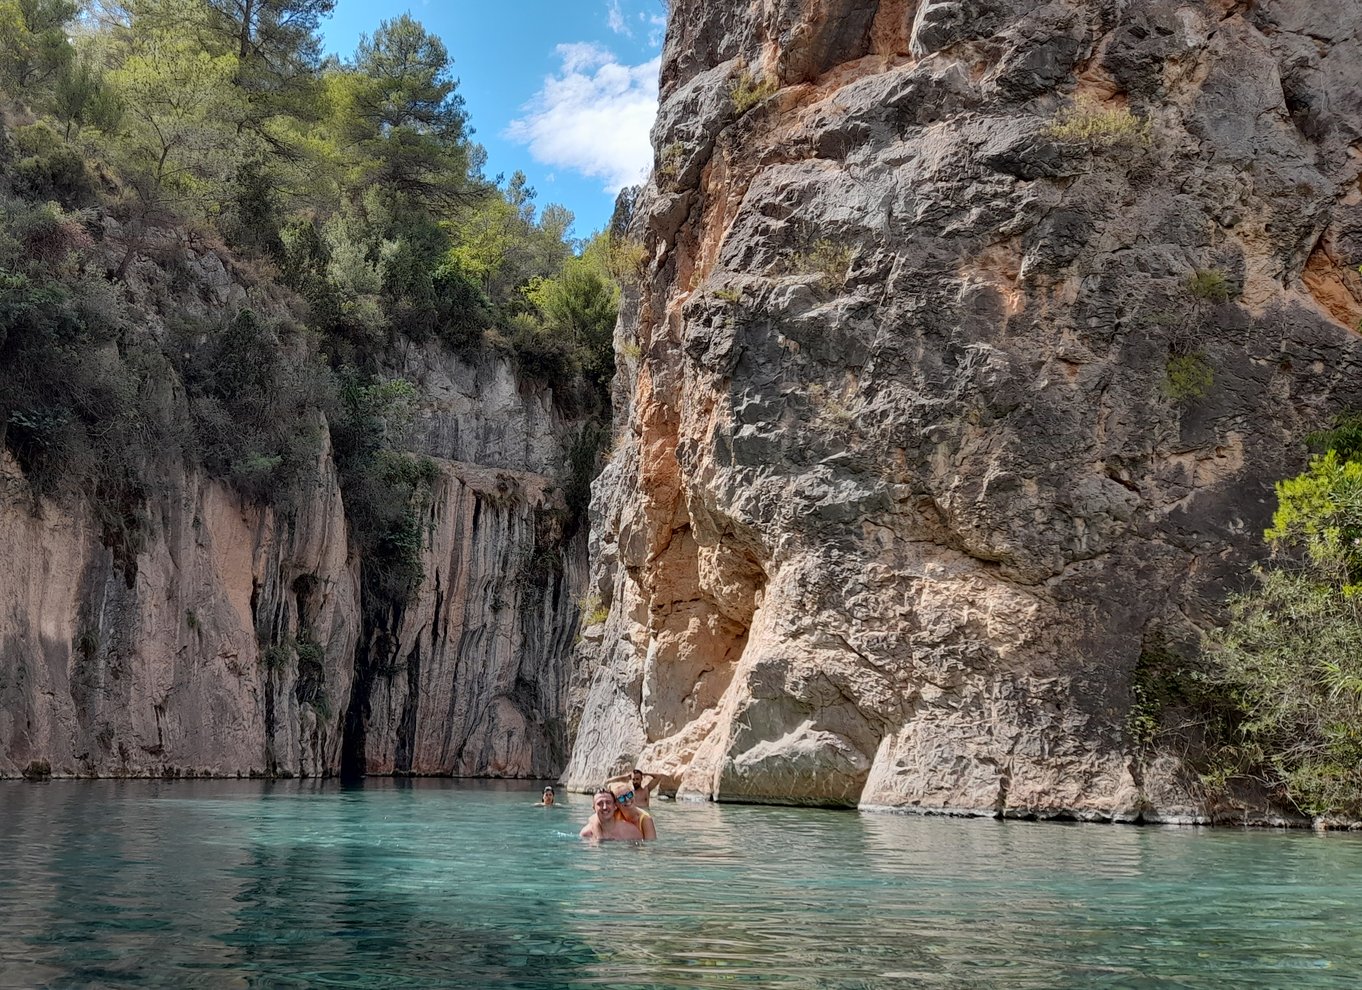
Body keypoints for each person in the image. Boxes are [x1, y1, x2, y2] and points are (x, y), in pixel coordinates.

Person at [579, 789, 644, 842]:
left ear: (615, 806)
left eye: (608, 802)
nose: (604, 807)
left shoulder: (631, 832)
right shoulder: (585, 834)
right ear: (594, 808)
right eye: (600, 803)